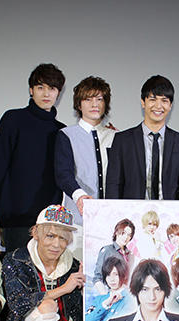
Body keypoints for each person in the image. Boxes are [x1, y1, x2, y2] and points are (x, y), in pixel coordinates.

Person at [0, 64, 66, 251]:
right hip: (15, 220)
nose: (46, 94)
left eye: (52, 88)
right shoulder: (13, 119)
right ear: (31, 90)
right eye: (40, 87)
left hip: (48, 221)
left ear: (58, 93)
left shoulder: (61, 131)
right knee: (17, 267)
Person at [105, 75, 179, 200]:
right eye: (153, 99)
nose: (158, 106)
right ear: (143, 102)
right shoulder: (122, 140)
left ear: (170, 105)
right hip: (132, 210)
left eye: (164, 100)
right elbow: (113, 184)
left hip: (170, 210)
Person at [54, 76, 116, 259]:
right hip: (77, 221)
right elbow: (63, 174)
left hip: (110, 221)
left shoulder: (116, 137)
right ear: (79, 105)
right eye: (88, 99)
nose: (94, 104)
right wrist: (80, 196)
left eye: (99, 99)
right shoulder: (66, 135)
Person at [86, 256, 134, 321]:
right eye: (108, 275)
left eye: (116, 274)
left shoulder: (130, 298)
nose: (112, 279)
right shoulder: (100, 299)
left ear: (123, 275)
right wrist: (105, 305)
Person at [93, 218, 135, 290]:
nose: (126, 237)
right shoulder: (107, 250)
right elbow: (97, 278)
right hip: (111, 292)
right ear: (116, 232)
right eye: (123, 233)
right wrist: (105, 294)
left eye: (129, 235)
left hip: (126, 293)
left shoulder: (130, 255)